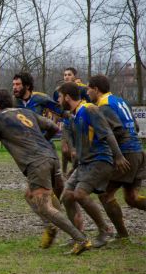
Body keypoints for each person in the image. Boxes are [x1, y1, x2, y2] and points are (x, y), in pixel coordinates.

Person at [0, 89, 91, 253]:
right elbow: (53, 127)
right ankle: (51, 226)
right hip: (51, 157)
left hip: (36, 164)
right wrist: (43, 141)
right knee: (30, 194)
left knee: (45, 207)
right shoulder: (26, 112)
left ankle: (81, 239)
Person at [57, 82, 130, 252]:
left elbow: (108, 133)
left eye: (60, 97)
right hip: (84, 164)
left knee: (80, 194)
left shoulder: (89, 109)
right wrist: (73, 168)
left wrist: (118, 156)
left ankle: (105, 231)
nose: (59, 100)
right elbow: (81, 147)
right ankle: (79, 237)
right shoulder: (74, 115)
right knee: (67, 197)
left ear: (67, 97)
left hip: (99, 160)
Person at [86, 75, 146, 240]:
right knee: (132, 198)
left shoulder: (104, 106)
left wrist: (117, 155)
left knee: (105, 194)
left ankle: (122, 234)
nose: (87, 92)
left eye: (89, 88)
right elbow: (135, 125)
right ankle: (122, 234)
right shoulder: (120, 101)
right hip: (139, 152)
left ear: (96, 89)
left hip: (126, 155)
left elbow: (117, 131)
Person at [52, 68, 89, 174]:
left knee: (75, 152)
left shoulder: (82, 89)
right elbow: (56, 110)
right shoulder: (58, 91)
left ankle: (75, 171)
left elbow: (91, 103)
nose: (66, 77)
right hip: (67, 124)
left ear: (74, 76)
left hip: (79, 124)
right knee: (64, 150)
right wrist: (53, 125)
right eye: (65, 75)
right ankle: (63, 173)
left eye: (69, 74)